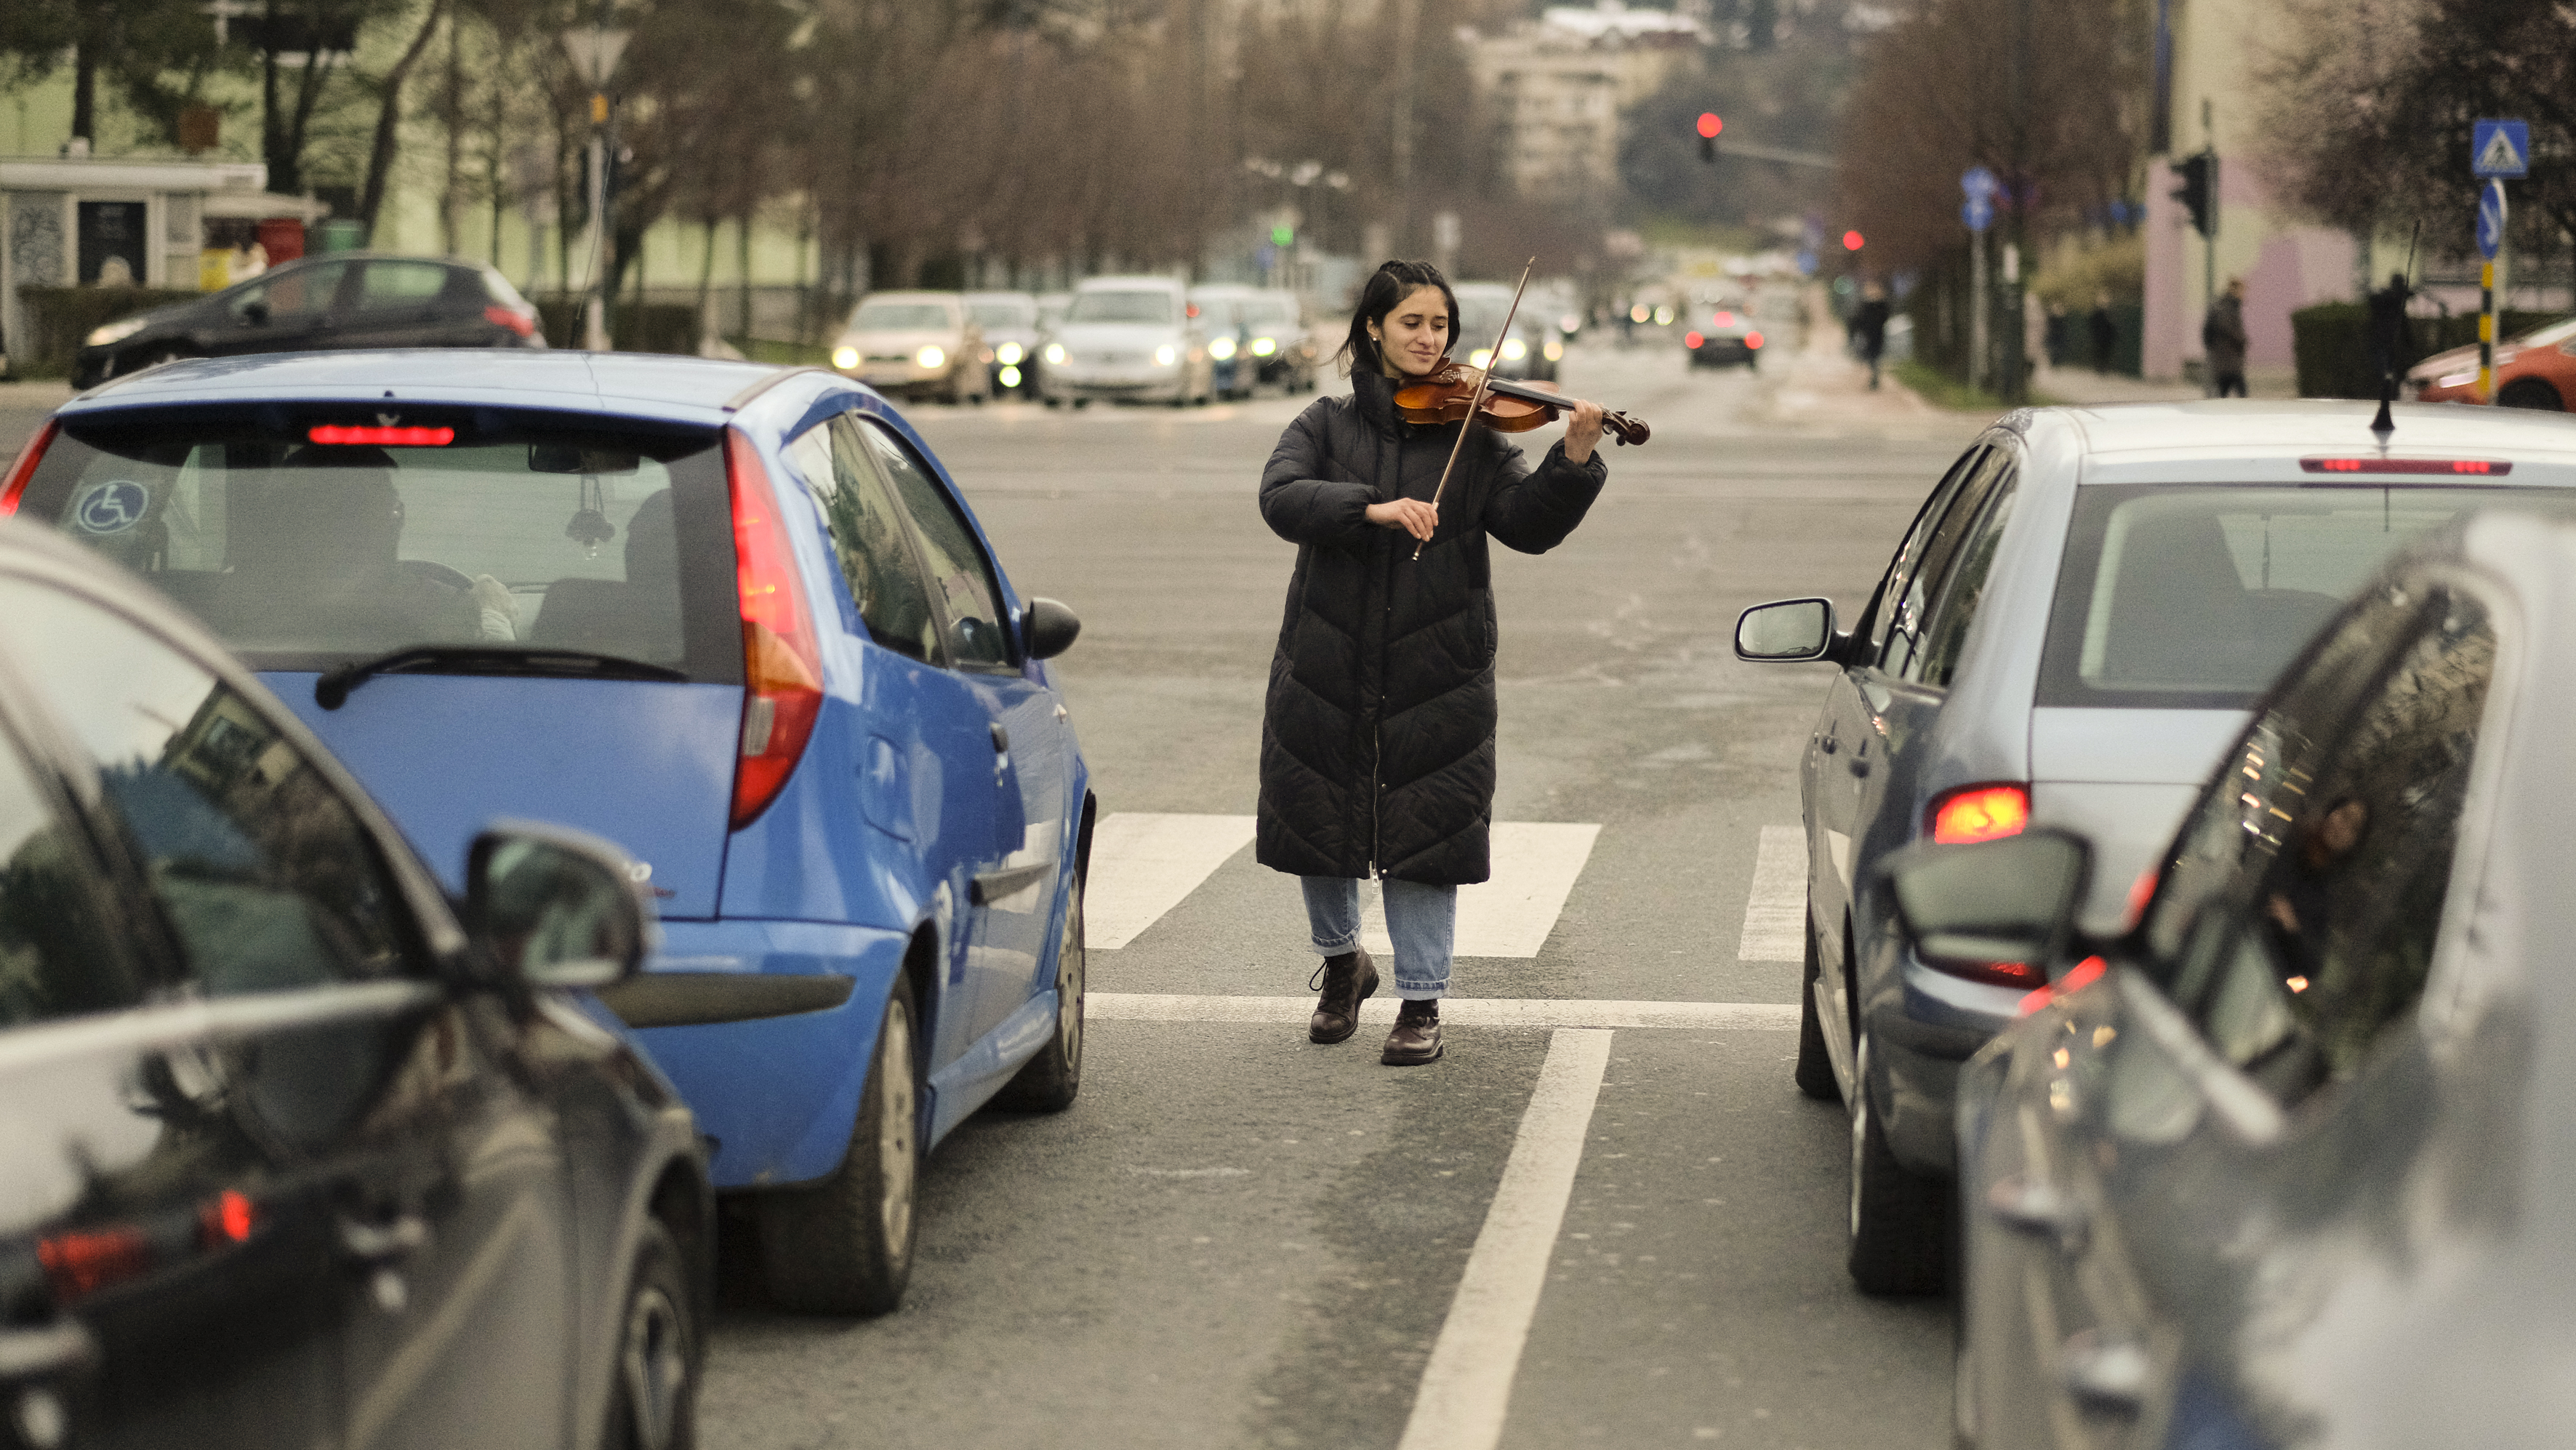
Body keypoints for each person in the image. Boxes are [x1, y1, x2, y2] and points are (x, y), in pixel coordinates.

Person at [1257, 260, 1608, 1066]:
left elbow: (1526, 526)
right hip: (1327, 659)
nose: (1427, 339)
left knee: (1426, 828)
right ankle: (1343, 964)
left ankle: (1421, 1001)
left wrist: (1574, 461)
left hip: (1437, 662)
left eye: (1440, 326)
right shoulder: (1324, 424)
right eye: (1412, 322)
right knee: (1320, 818)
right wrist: (1371, 508)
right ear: (1373, 328)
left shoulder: (1476, 437)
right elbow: (1281, 498)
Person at [2367, 271, 2414, 396]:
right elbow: (2374, 302)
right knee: (2385, 370)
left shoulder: (2397, 307)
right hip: (2383, 342)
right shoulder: (2385, 301)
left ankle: (2392, 390)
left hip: (2390, 343)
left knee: (2393, 370)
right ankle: (2388, 388)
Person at [2203, 277, 2249, 398]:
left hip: (2227, 358)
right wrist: (2242, 340)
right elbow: (2229, 328)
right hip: (2227, 357)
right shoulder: (2227, 307)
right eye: (2242, 291)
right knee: (2239, 388)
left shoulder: (2229, 306)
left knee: (2226, 389)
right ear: (2234, 290)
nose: (2244, 294)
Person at [1853, 282, 1891, 390]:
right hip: (1874, 335)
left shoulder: (1870, 306)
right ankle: (1874, 377)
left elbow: (1859, 320)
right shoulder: (1879, 306)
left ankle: (1874, 378)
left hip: (1872, 335)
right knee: (1873, 358)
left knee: (1873, 357)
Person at [2087, 293, 2118, 374]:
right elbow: (2093, 324)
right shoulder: (2097, 312)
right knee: (2099, 352)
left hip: (2107, 337)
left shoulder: (2109, 312)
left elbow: (2112, 325)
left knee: (2106, 352)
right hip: (2099, 336)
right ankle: (2099, 368)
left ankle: (2104, 367)